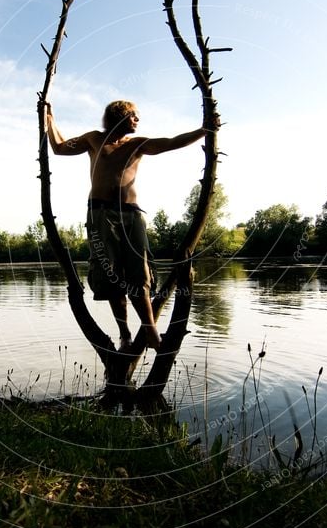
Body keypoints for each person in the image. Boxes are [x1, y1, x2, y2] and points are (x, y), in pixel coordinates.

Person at [45, 99, 218, 352]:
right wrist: (49, 119)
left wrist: (204, 130)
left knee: (140, 273)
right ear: (120, 116)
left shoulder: (138, 145)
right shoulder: (94, 139)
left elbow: (171, 143)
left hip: (132, 215)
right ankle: (125, 334)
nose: (137, 120)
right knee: (112, 276)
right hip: (100, 214)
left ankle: (150, 332)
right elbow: (59, 148)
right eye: (134, 116)